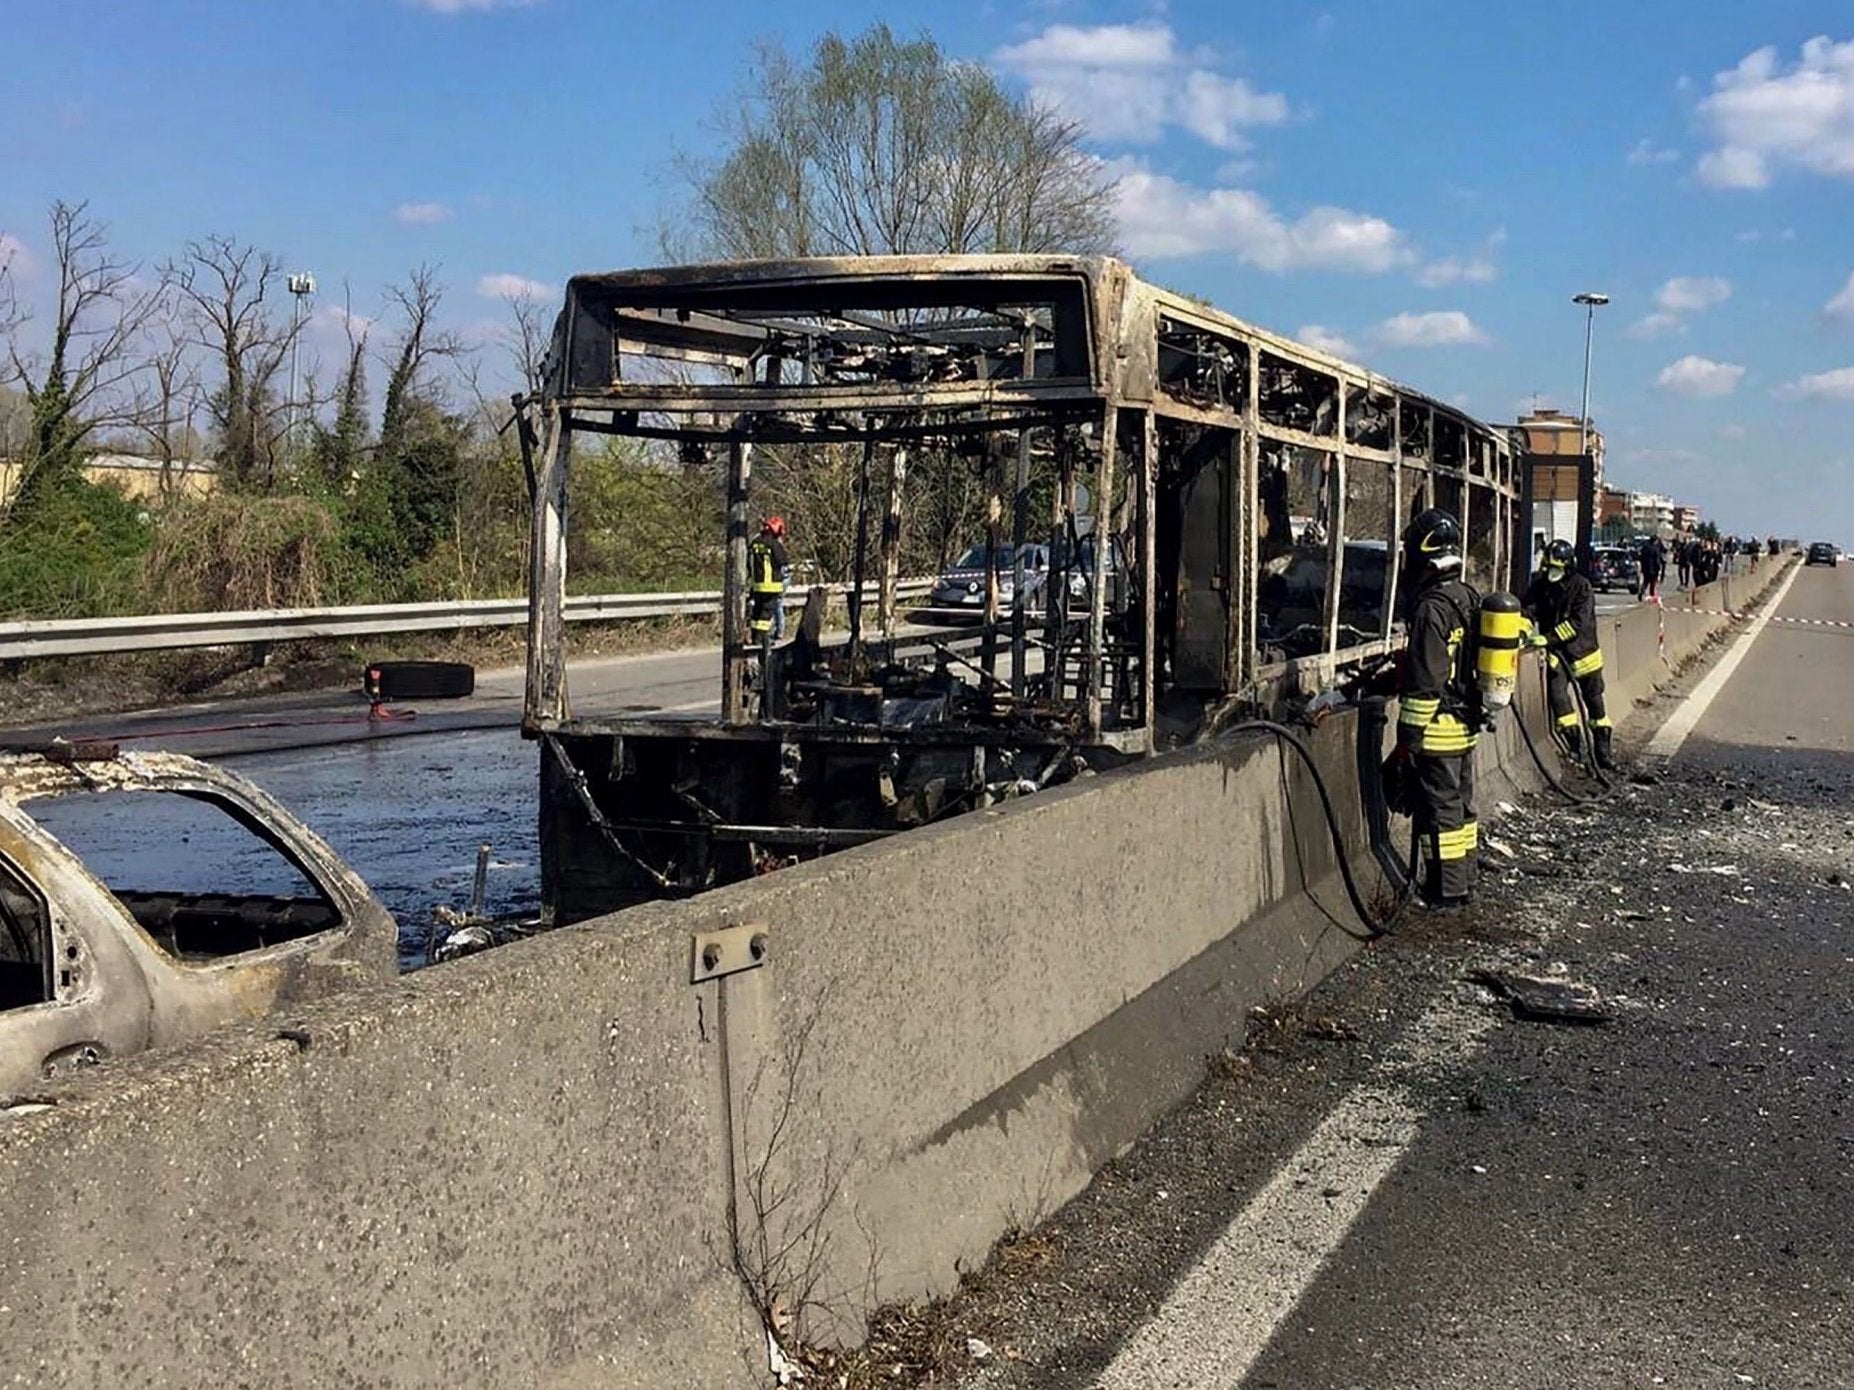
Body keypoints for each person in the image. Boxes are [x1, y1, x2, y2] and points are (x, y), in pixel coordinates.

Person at [1388, 508, 1483, 908]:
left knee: (1441, 814)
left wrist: (1407, 740)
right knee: (1461, 809)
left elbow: (1426, 683)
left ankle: (1446, 890)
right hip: (1467, 723)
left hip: (1438, 728)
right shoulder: (1468, 596)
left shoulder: (1431, 608)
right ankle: (1466, 879)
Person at [1524, 539, 1615, 771]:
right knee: (1559, 698)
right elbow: (1528, 610)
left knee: (1595, 704)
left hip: (1584, 654)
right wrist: (1521, 630)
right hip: (1557, 656)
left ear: (1567, 565)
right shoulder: (1540, 584)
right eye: (1549, 567)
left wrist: (1549, 638)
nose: (1551, 572)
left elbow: (1578, 623)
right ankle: (1573, 746)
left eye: (1557, 568)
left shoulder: (1581, 586)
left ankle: (1602, 752)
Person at [748, 515, 790, 644]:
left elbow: (748, 563)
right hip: (771, 585)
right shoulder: (773, 544)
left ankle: (755, 637)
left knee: (757, 612)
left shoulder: (754, 542)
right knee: (766, 614)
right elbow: (783, 562)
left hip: (757, 585)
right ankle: (763, 640)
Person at [1638, 534, 1665, 600]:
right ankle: (1651, 596)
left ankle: (1641, 592)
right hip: (1653, 569)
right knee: (1652, 583)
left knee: (1645, 582)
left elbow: (1641, 557)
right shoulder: (1655, 549)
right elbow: (1657, 560)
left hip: (1645, 568)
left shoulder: (1644, 548)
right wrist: (1658, 568)